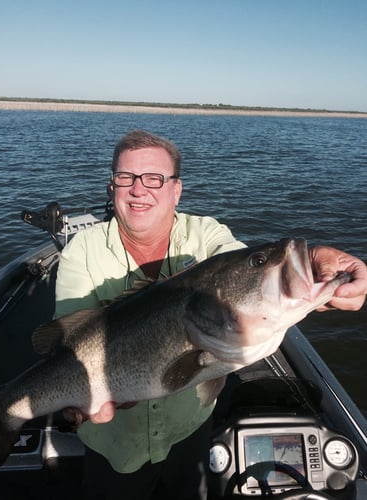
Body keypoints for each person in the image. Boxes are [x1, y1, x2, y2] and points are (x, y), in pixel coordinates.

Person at [54, 130, 367, 500]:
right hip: (113, 446)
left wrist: (314, 263)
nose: (139, 190)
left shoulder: (206, 236)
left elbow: (239, 261)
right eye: (126, 178)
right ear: (112, 187)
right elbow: (67, 344)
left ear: (176, 190)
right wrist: (74, 400)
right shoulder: (81, 251)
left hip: (189, 434)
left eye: (154, 178)